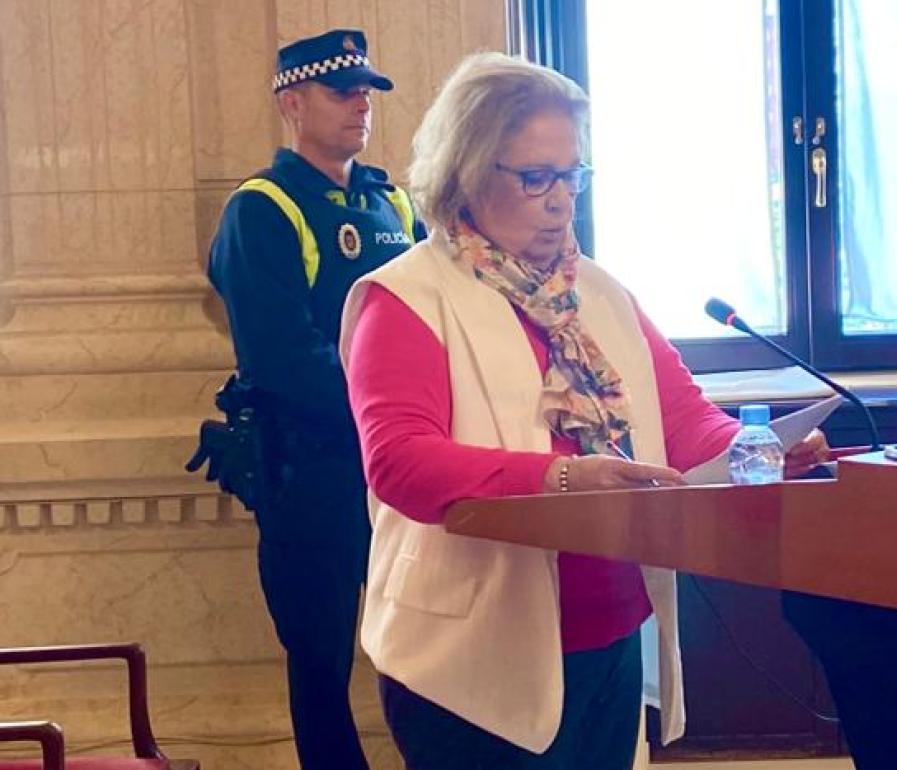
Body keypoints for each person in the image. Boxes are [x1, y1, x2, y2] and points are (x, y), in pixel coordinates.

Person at [338, 52, 831, 769]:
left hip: (609, 630)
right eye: (535, 177)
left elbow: (686, 422)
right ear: (467, 173)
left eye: (572, 175)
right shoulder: (409, 298)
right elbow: (400, 462)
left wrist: (758, 447)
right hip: (469, 653)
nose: (561, 200)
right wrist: (563, 479)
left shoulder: (598, 294)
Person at [202, 29, 423, 770]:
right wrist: (391, 411)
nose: (361, 103)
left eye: (367, 91)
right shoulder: (262, 208)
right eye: (342, 91)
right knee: (322, 660)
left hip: (396, 467)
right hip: (313, 468)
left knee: (424, 643)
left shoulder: (390, 198)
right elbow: (285, 356)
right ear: (292, 104)